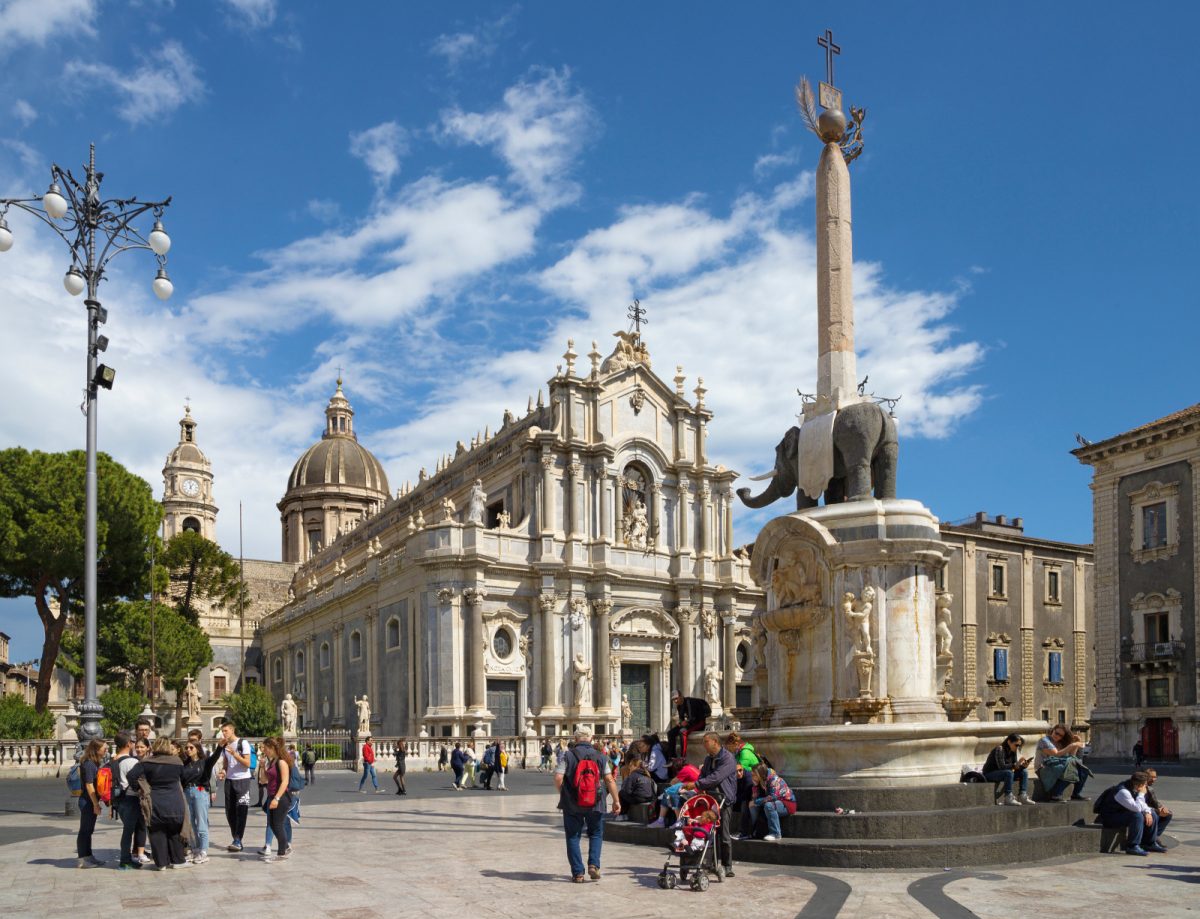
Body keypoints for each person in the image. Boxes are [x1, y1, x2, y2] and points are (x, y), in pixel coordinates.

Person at [555, 728, 621, 883]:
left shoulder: (568, 755)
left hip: (572, 803)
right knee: (596, 834)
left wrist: (564, 794)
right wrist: (616, 801)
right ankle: (593, 865)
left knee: (573, 836)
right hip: (596, 802)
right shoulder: (600, 756)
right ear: (591, 739)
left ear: (576, 739)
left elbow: (558, 777)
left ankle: (578, 873)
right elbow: (609, 780)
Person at [126, 737, 189, 870]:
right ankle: (178, 861)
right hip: (175, 800)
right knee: (175, 831)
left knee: (156, 831)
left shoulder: (146, 762)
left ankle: (161, 863)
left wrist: (139, 787)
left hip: (154, 801)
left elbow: (131, 775)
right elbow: (184, 778)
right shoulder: (177, 762)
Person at [681, 732, 737, 877]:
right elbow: (703, 776)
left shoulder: (728, 758)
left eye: (706, 741)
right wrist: (697, 788)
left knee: (724, 835)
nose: (703, 744)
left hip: (724, 800)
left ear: (715, 742)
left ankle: (727, 865)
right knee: (709, 832)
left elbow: (716, 778)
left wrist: (697, 783)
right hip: (710, 800)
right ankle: (710, 863)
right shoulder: (708, 759)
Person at [1094, 771, 1165, 856]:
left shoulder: (1134, 788)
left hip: (1123, 813)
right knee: (1137, 816)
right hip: (1110, 817)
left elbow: (1143, 805)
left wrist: (1147, 812)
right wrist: (1141, 794)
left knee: (1152, 813)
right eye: (1145, 784)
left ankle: (1149, 843)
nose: (1146, 786)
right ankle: (1132, 846)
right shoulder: (1123, 791)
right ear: (1140, 785)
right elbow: (1137, 808)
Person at [180, 737, 222, 865]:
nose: (188, 750)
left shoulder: (204, 762)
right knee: (191, 822)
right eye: (186, 748)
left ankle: (203, 851)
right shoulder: (185, 764)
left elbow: (215, 757)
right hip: (187, 791)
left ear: (197, 749)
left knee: (201, 822)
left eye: (191, 748)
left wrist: (220, 746)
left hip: (200, 790)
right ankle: (195, 848)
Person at [216, 719, 254, 852]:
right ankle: (235, 837)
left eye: (225, 731)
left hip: (243, 780)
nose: (224, 733)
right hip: (230, 781)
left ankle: (238, 839)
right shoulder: (225, 745)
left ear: (232, 730)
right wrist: (223, 771)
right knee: (229, 811)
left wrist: (235, 754)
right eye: (222, 731)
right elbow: (226, 763)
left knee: (241, 810)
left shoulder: (243, 743)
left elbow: (247, 763)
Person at [1035, 723, 1090, 802]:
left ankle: (1076, 794)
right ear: (1053, 730)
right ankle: (1056, 795)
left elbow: (1072, 756)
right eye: (1056, 733)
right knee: (1070, 766)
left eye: (1061, 735)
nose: (1057, 736)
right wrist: (1072, 745)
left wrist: (1076, 744)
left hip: (1057, 766)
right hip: (1043, 768)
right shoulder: (1044, 741)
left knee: (1082, 769)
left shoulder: (1061, 743)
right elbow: (1056, 754)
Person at [260, 736, 294, 862]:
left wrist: (277, 798)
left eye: (266, 748)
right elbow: (264, 780)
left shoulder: (281, 762)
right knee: (273, 825)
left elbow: (285, 782)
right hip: (271, 796)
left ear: (273, 748)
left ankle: (282, 853)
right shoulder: (272, 761)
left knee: (278, 825)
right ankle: (285, 846)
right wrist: (262, 767)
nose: (264, 750)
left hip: (281, 797)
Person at [75, 739, 107, 869]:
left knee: (88, 830)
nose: (106, 751)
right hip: (87, 801)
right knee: (85, 830)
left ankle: (88, 856)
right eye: (104, 748)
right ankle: (83, 859)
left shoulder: (93, 763)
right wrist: (95, 804)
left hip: (89, 801)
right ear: (96, 749)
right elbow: (89, 785)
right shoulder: (88, 764)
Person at [983, 733, 1036, 806]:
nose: (1018, 747)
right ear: (1009, 742)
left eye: (1019, 746)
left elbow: (1013, 768)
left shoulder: (1013, 751)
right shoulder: (1000, 749)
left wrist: (1022, 766)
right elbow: (1001, 767)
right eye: (1016, 745)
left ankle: (1022, 796)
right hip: (990, 773)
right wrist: (1015, 765)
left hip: (1005, 773)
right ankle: (1008, 797)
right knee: (1009, 773)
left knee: (1024, 772)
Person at [747, 763, 796, 841]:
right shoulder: (761, 780)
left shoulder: (773, 779)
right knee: (753, 806)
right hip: (775, 802)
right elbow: (755, 798)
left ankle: (776, 833)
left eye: (754, 775)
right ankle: (753, 830)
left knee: (768, 805)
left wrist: (756, 801)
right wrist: (755, 786)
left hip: (787, 803)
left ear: (760, 774)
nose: (752, 777)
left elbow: (772, 797)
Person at [666, 690, 711, 759]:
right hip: (690, 723)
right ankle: (672, 757)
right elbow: (682, 719)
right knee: (670, 733)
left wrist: (685, 722)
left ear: (681, 696)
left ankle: (682, 757)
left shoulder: (689, 702)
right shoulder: (679, 706)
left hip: (699, 723)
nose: (675, 701)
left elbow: (692, 718)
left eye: (676, 698)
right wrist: (681, 723)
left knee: (683, 731)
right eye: (673, 699)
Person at [1143, 769, 1173, 847]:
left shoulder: (1150, 789)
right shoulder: (1139, 787)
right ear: (1145, 777)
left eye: (1155, 777)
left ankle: (1155, 836)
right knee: (1155, 814)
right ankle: (1150, 841)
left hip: (1148, 809)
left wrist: (1162, 808)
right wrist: (1155, 810)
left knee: (1168, 814)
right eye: (1151, 777)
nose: (1154, 779)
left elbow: (1156, 802)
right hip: (1141, 810)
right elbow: (1139, 804)